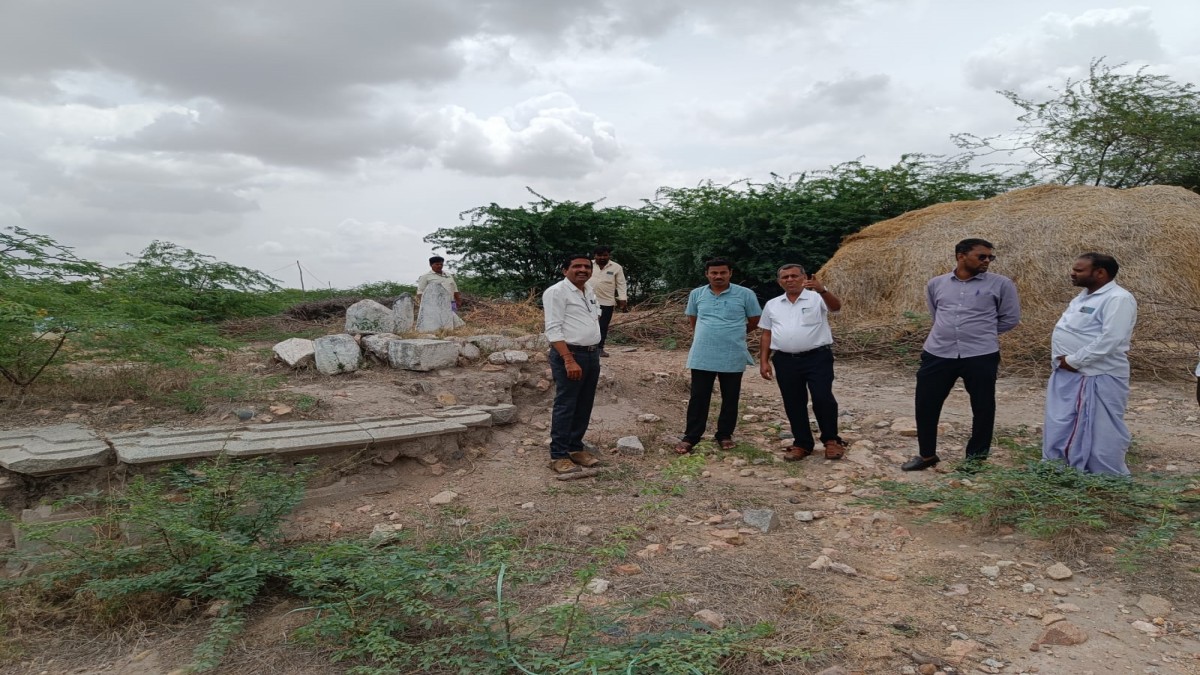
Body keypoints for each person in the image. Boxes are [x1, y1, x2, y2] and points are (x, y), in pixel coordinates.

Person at [902, 238, 1021, 471]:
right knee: (926, 404)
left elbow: (1010, 318)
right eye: (982, 256)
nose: (987, 261)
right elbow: (936, 315)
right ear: (961, 256)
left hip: (981, 354)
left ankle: (975, 459)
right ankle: (926, 455)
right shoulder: (937, 283)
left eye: (990, 257)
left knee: (983, 406)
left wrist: (981, 332)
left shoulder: (1001, 284)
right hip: (938, 352)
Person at [1042, 253, 1138, 476]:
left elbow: (1112, 339)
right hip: (1069, 374)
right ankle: (1060, 473)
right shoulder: (1083, 297)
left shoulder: (1118, 298)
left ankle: (1105, 479)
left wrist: (1075, 360)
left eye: (1079, 270)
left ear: (1100, 273)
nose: (1072, 273)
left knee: (1100, 431)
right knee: (1061, 424)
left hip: (1096, 375)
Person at [758, 264, 847, 461]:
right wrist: (764, 361)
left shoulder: (817, 298)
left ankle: (832, 440)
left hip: (817, 357)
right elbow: (766, 333)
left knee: (823, 397)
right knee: (793, 401)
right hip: (784, 360)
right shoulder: (773, 304)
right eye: (785, 277)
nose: (789, 280)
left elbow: (836, 307)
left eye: (794, 276)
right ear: (779, 281)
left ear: (804, 277)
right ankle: (802, 443)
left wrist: (822, 289)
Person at [676, 258, 761, 454]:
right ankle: (691, 436)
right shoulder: (697, 294)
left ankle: (724, 434)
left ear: (730, 273)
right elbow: (693, 320)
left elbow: (755, 319)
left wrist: (733, 333)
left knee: (730, 397)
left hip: (733, 352)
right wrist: (710, 334)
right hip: (702, 353)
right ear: (707, 274)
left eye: (723, 272)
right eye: (714, 273)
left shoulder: (745, 294)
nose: (718, 276)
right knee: (698, 396)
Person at [543, 253, 604, 474]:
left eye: (587, 267)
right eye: (576, 266)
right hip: (570, 355)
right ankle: (558, 455)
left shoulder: (588, 290)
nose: (582, 270)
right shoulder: (556, 292)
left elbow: (594, 318)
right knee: (567, 404)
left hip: (591, 354)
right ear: (565, 270)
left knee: (584, 403)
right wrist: (568, 359)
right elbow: (553, 329)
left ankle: (575, 448)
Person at [587, 245, 628, 357]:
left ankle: (600, 348)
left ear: (609, 255)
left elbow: (621, 284)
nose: (602, 257)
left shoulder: (616, 267)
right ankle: (585, 347)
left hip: (607, 301)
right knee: (587, 324)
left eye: (605, 255)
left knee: (603, 326)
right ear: (594, 255)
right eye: (599, 255)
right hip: (587, 300)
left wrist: (622, 299)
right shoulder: (587, 264)